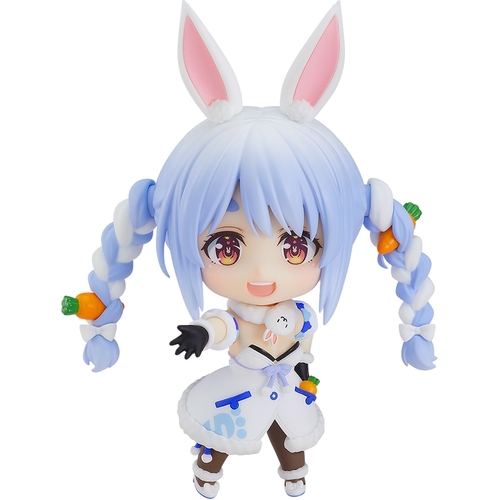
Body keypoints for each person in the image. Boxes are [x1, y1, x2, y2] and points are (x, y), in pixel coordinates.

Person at [62, 3, 436, 497]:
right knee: (223, 434)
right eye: (226, 247)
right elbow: (229, 325)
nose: (263, 273)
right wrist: (203, 331)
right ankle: (208, 470)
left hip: (291, 386)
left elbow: (303, 335)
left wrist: (301, 360)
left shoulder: (301, 315)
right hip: (240, 388)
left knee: (291, 435)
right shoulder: (246, 313)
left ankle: (293, 473)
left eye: (296, 246)